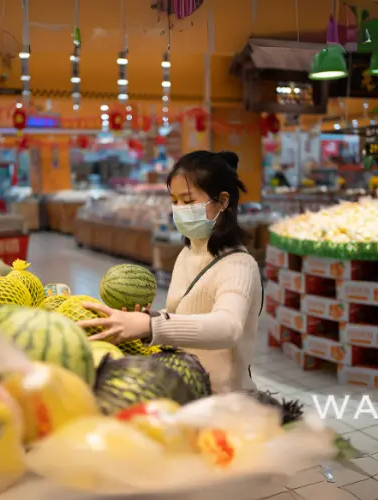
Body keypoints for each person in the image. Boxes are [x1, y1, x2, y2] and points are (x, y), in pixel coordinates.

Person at [78, 151, 263, 393]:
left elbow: (228, 327)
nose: (179, 209)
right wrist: (149, 317)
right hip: (187, 387)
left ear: (223, 201)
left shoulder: (240, 265)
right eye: (174, 201)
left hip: (225, 399)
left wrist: (152, 326)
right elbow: (182, 313)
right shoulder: (187, 255)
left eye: (188, 201)